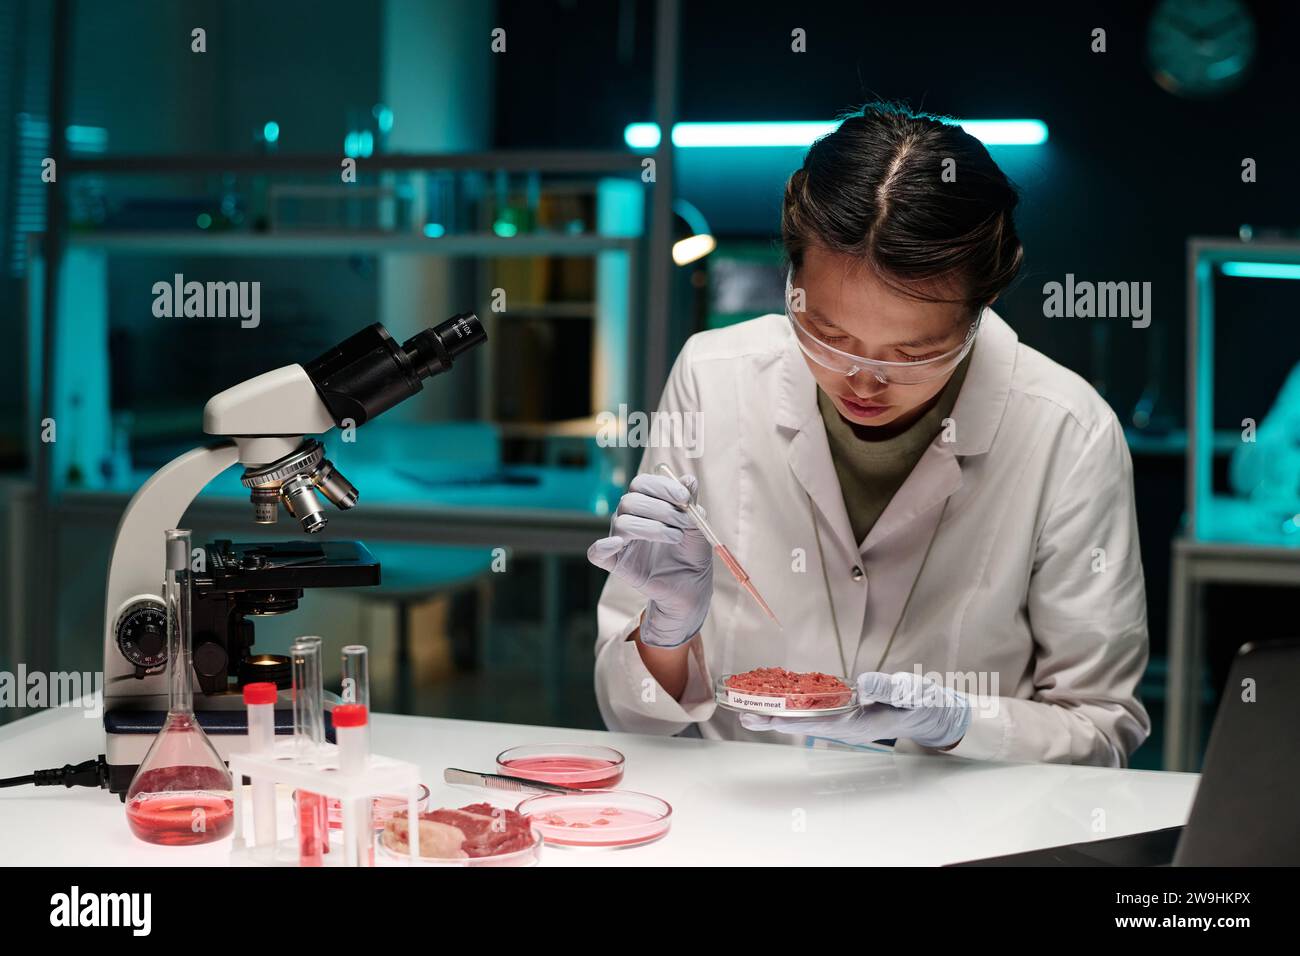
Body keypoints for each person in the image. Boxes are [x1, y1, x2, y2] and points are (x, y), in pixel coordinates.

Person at [588, 103, 1150, 766]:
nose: (862, 381)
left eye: (912, 354)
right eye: (828, 336)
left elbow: (1103, 727)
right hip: (748, 824)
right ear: (792, 281)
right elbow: (632, 718)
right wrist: (666, 629)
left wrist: (961, 722)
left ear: (982, 306)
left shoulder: (1067, 429)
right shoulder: (715, 379)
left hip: (964, 834)